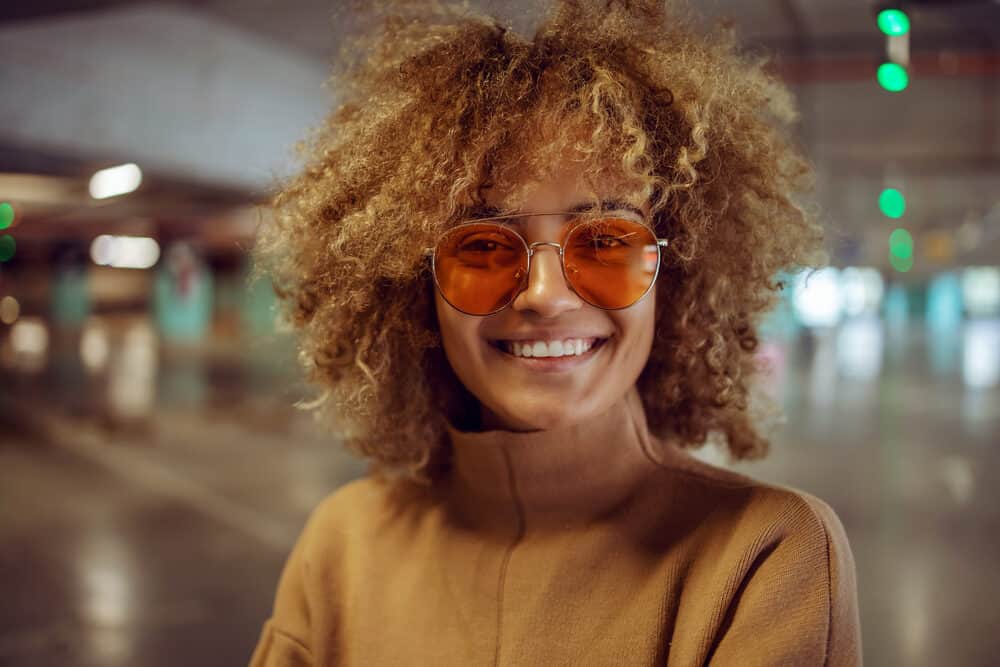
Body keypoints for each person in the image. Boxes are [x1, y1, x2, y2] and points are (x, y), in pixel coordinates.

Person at [249, 1, 862, 664]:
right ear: (415, 289)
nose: (544, 295)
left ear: (674, 274)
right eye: (483, 246)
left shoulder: (762, 558)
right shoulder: (342, 547)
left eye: (604, 241)